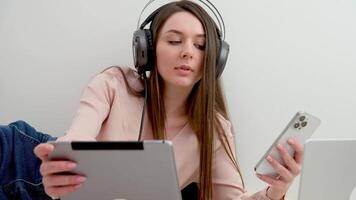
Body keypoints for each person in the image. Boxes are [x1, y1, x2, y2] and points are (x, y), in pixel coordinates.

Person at [34, 1, 303, 199]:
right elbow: (75, 138)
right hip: (27, 163)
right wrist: (59, 163)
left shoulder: (214, 129)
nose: (188, 52)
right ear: (147, 50)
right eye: (174, 41)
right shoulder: (113, 84)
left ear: (214, 60)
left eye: (200, 45)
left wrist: (274, 192)